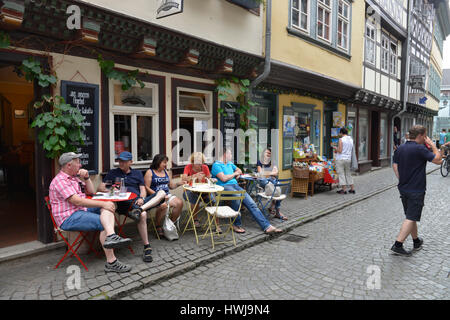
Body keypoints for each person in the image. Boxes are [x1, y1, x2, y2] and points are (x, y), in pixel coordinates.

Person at [49, 152, 132, 273]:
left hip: (80, 210)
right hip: (69, 217)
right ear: (68, 165)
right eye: (77, 162)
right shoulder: (60, 181)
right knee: (105, 220)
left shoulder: (73, 178)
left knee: (109, 206)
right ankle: (112, 262)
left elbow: (92, 192)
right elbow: (77, 201)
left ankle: (110, 236)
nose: (80, 165)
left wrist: (87, 178)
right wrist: (103, 203)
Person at [98, 151, 166, 263]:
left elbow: (143, 190)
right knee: (143, 215)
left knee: (162, 193)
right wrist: (111, 190)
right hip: (124, 203)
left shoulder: (137, 173)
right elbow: (100, 188)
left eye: (124, 161)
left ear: (130, 162)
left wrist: (142, 199)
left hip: (139, 203)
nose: (121, 163)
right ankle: (147, 246)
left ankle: (139, 210)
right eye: (119, 160)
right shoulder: (113, 173)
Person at [391, 125, 442, 256]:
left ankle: (416, 241)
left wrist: (401, 178)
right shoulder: (420, 149)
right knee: (411, 217)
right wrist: (433, 145)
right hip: (416, 189)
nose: (426, 138)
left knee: (410, 216)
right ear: (420, 136)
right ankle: (398, 244)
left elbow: (395, 165)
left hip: (403, 188)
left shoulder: (400, 148)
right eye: (425, 136)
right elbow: (439, 160)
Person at [211, 148, 282, 234]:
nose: (232, 156)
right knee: (237, 198)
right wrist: (234, 174)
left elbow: (239, 170)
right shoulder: (216, 165)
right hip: (224, 187)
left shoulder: (229, 163)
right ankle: (235, 224)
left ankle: (267, 226)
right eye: (230, 154)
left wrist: (236, 173)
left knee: (251, 203)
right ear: (224, 154)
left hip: (235, 186)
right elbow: (224, 178)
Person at [144, 154, 185, 239]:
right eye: (164, 163)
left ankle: (169, 224)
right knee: (164, 205)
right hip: (154, 197)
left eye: (166, 163)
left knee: (179, 203)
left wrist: (178, 184)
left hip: (166, 195)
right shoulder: (150, 172)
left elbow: (171, 186)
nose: (166, 165)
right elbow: (146, 187)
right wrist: (158, 196)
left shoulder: (166, 172)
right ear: (158, 162)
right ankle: (158, 225)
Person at [181, 152, 213, 229]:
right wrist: (194, 176)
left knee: (212, 200)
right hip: (189, 191)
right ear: (192, 162)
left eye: (200, 162)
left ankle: (216, 223)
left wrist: (206, 179)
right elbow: (184, 179)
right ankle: (195, 219)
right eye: (196, 162)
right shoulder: (188, 167)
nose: (198, 165)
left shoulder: (205, 167)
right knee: (195, 198)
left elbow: (209, 180)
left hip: (202, 191)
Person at [256, 148, 287, 221]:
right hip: (264, 181)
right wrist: (270, 173)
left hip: (272, 181)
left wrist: (266, 173)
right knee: (271, 183)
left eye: (269, 153)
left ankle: (276, 210)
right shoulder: (259, 162)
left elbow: (276, 173)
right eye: (266, 153)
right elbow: (260, 173)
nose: (268, 154)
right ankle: (276, 210)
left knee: (278, 185)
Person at [332, 127, 355, 194]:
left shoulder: (341, 139)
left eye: (340, 133)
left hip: (341, 159)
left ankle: (344, 190)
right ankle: (352, 189)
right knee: (348, 173)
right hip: (348, 159)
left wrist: (335, 148)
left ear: (341, 133)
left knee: (341, 174)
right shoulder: (351, 139)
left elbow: (340, 151)